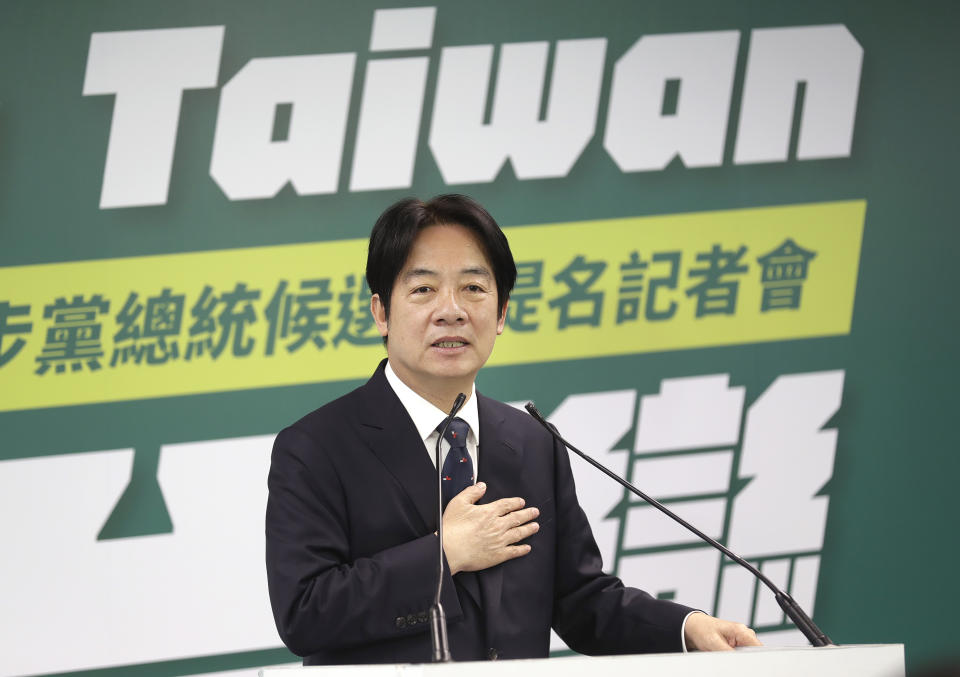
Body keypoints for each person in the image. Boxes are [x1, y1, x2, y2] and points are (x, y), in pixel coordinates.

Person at [265, 194, 760, 665]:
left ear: (501, 313)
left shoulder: (532, 442)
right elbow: (305, 613)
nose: (452, 310)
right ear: (381, 313)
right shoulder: (317, 446)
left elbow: (581, 600)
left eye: (474, 289)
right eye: (423, 289)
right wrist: (444, 556)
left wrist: (685, 628)